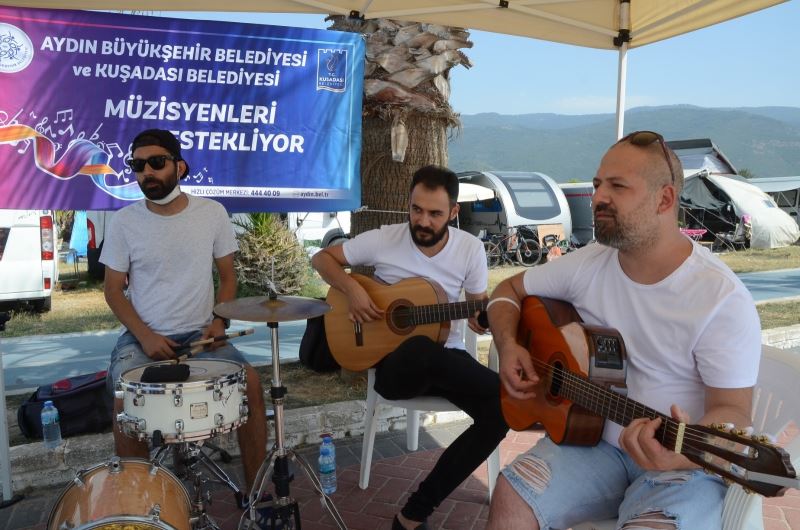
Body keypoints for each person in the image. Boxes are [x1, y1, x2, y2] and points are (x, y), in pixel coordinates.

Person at [486, 131, 761, 530]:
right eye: (598, 184)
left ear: (664, 200)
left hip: (687, 467)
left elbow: (734, 411)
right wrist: (509, 344)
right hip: (596, 446)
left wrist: (682, 453)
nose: (599, 197)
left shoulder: (720, 297)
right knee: (511, 497)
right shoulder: (589, 263)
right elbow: (507, 291)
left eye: (618, 186)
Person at [311, 165, 508, 530]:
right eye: (416, 209)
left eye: (434, 213)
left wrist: (483, 319)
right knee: (419, 348)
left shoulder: (470, 249)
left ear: (452, 212)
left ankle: (413, 515)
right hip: (393, 368)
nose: (423, 220)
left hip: (447, 361)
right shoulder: (386, 238)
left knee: (502, 411)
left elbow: (478, 307)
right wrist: (353, 290)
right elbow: (321, 258)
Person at [101, 129, 267, 492]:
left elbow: (227, 277)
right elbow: (113, 291)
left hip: (202, 335)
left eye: (156, 163)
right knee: (125, 397)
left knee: (251, 384)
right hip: (142, 336)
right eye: (138, 165)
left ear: (180, 166)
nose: (147, 172)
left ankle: (257, 496)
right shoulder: (124, 222)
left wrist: (219, 321)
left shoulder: (212, 213)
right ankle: (141, 506)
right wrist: (145, 336)